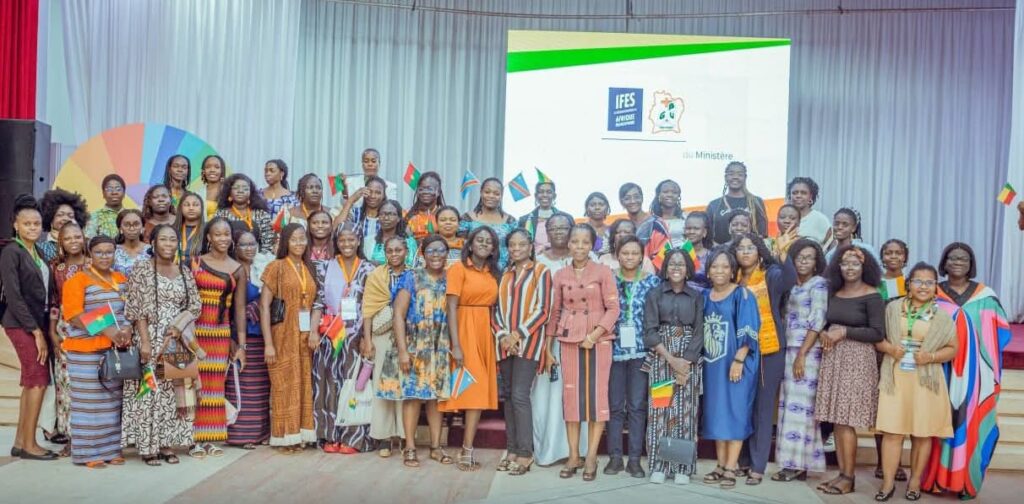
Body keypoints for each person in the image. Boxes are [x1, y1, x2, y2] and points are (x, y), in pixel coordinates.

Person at [923, 242, 1011, 500]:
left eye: (963, 258)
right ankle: (936, 480)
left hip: (976, 375)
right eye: (952, 258)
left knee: (971, 423)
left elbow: (1001, 333)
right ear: (944, 262)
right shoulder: (933, 292)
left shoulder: (986, 296)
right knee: (939, 422)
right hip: (940, 369)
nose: (958, 262)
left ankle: (966, 482)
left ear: (971, 263)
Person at [874, 262, 957, 502]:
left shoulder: (942, 316)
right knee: (892, 432)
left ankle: (915, 482)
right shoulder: (892, 308)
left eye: (929, 282)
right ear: (908, 284)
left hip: (926, 380)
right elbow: (877, 338)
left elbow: (953, 349)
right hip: (895, 377)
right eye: (918, 281)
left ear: (936, 286)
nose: (923, 286)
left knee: (922, 434)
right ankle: (888, 484)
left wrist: (931, 356)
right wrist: (890, 348)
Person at [122, 224, 200, 466]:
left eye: (173, 240)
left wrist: (178, 327)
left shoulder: (184, 271)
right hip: (151, 337)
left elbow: (195, 305)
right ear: (153, 243)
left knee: (173, 392)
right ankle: (148, 447)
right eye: (163, 239)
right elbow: (136, 309)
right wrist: (145, 342)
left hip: (177, 339)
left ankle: (167, 444)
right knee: (149, 392)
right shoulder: (142, 269)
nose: (168, 244)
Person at [547, 223, 620, 482]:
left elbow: (614, 309)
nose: (579, 246)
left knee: (596, 399)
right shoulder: (560, 274)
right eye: (575, 241)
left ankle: (591, 457)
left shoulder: (603, 271)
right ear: (568, 244)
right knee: (572, 399)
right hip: (568, 339)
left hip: (598, 340)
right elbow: (555, 311)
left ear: (592, 245)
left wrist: (594, 335)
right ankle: (573, 455)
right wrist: (547, 347)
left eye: (585, 242)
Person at [814, 244, 885, 495]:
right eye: (845, 263)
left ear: (865, 267)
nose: (850, 268)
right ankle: (842, 474)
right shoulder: (835, 292)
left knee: (846, 421)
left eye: (855, 263)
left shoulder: (872, 295)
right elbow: (827, 322)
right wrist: (826, 333)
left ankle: (848, 477)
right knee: (837, 420)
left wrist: (844, 332)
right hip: (834, 358)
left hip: (857, 360)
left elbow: (877, 333)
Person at [61, 235, 132, 467]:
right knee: (88, 403)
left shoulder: (121, 279)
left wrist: (126, 329)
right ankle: (88, 454)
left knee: (111, 401)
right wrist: (107, 329)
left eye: (109, 252)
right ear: (90, 253)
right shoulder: (77, 280)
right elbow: (73, 315)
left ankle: (111, 450)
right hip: (85, 350)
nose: (104, 256)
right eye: (99, 252)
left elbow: (129, 310)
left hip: (114, 349)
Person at [732, 233, 795, 485]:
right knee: (742, 405)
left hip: (769, 349)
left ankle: (758, 465)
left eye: (751, 247)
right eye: (741, 248)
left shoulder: (771, 274)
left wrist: (783, 253)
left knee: (762, 408)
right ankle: (743, 460)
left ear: (759, 251)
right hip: (738, 350)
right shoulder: (732, 277)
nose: (746, 251)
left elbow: (790, 280)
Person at [1, 195, 58, 461]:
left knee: (31, 381)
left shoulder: (36, 252)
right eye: (27, 224)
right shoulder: (11, 251)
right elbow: (14, 296)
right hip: (21, 324)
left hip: (37, 322)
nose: (33, 228)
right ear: (16, 225)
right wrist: (36, 332)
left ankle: (20, 442)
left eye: (36, 223)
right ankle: (30, 445)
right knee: (37, 380)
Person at [492, 229, 553, 475]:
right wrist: (503, 336)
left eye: (522, 244)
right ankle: (512, 449)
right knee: (508, 395)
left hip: (528, 343)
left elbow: (543, 310)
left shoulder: (541, 271)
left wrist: (516, 335)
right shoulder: (505, 274)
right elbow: (496, 310)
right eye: (512, 245)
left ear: (530, 247)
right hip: (505, 344)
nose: (516, 248)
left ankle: (526, 454)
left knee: (519, 395)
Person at [440, 226, 501, 471]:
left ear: (493, 248)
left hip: (485, 332)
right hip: (464, 329)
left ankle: (466, 448)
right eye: (479, 240)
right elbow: (451, 307)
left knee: (478, 392)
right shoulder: (458, 269)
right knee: (471, 389)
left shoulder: (493, 273)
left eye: (489, 241)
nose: (484, 244)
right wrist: (456, 344)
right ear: (471, 244)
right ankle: (463, 450)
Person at [390, 236, 454, 467]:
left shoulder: (451, 278)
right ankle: (410, 447)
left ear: (447, 253)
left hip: (440, 345)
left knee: (435, 397)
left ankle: (436, 447)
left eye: (440, 250)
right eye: (431, 250)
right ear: (422, 253)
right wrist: (403, 351)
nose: (436, 255)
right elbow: (398, 315)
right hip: (415, 345)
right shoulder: (412, 276)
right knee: (413, 396)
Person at [700, 247, 761, 489]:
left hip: (736, 364)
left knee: (735, 412)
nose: (720, 271)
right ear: (708, 270)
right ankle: (720, 464)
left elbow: (749, 330)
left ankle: (731, 467)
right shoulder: (704, 296)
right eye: (715, 266)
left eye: (725, 266)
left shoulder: (742, 295)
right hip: (713, 365)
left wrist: (739, 360)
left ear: (733, 270)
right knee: (717, 414)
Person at [312, 223, 375, 454]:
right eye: (342, 240)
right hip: (330, 334)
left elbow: (370, 307)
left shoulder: (369, 269)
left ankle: (353, 437)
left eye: (351, 239)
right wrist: (313, 331)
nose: (347, 244)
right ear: (336, 242)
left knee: (354, 384)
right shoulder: (324, 267)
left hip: (356, 336)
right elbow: (318, 301)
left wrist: (367, 338)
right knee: (329, 385)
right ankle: (330, 435)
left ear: (358, 241)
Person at [643, 248, 703, 484]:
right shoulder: (655, 294)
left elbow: (699, 331)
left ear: (688, 269)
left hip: (689, 361)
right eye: (672, 264)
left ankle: (682, 468)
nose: (676, 267)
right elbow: (650, 331)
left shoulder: (696, 296)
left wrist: (685, 362)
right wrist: (671, 360)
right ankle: (659, 466)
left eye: (681, 264)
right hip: (661, 358)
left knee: (685, 414)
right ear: (665, 269)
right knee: (660, 412)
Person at [531, 211, 586, 466]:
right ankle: (549, 448)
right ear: (547, 232)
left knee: (574, 391)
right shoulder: (538, 261)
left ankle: (576, 450)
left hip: (578, 336)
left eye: (564, 228)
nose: (558, 232)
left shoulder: (584, 260)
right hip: (545, 335)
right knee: (546, 393)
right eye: (553, 228)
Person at [772, 239, 829, 482]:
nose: (804, 261)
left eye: (809, 257)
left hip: (807, 352)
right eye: (799, 257)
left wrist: (802, 355)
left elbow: (818, 321)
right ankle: (796, 463)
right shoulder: (792, 284)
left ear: (817, 262)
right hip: (789, 349)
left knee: (802, 410)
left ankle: (796, 465)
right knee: (788, 407)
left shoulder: (819, 284)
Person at [190, 217, 247, 457]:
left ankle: (211, 438)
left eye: (226, 234)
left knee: (214, 387)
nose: (223, 238)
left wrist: (241, 345)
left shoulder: (237, 268)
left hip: (219, 334)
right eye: (218, 234)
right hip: (194, 332)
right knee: (192, 384)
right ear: (209, 238)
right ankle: (191, 439)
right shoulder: (195, 263)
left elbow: (240, 310)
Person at [260, 223, 320, 452]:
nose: (299, 243)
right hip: (282, 335)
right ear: (285, 241)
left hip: (304, 337)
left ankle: (300, 434)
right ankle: (283, 436)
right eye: (294, 239)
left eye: (302, 238)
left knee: (302, 384)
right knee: (283, 385)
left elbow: (315, 303)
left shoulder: (309, 267)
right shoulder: (275, 267)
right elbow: (264, 307)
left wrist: (313, 331)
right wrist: (268, 344)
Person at [605, 236, 659, 479]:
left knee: (637, 406)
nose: (629, 257)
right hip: (613, 351)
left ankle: (635, 460)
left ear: (642, 256)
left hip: (641, 351)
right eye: (625, 253)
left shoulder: (652, 282)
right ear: (618, 255)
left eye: (634, 253)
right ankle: (615, 458)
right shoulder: (608, 279)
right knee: (615, 406)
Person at [361, 236, 411, 457]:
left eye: (398, 250)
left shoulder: (413, 275)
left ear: (406, 251)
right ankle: (383, 437)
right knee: (381, 385)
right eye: (390, 251)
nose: (394, 254)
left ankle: (404, 435)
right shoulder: (376, 276)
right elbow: (368, 309)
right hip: (381, 336)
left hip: (406, 336)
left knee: (404, 384)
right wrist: (367, 339)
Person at [225, 227, 272, 450]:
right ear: (235, 247)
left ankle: (260, 433)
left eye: (253, 244)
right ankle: (240, 435)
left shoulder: (263, 267)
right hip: (239, 336)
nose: (249, 248)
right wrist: (232, 338)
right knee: (240, 385)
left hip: (261, 336)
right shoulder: (231, 269)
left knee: (260, 389)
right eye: (244, 244)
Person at [46, 221, 89, 455]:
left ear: (84, 238)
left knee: (90, 383)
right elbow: (54, 301)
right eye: (68, 238)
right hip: (64, 328)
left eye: (77, 236)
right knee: (67, 384)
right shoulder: (57, 267)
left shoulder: (93, 263)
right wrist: (52, 331)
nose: (74, 241)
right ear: (60, 242)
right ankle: (72, 438)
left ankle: (92, 436)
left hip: (92, 326)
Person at [460, 178, 518, 269]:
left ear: (501, 196)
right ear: (481, 193)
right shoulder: (467, 218)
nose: (491, 196)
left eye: (496, 193)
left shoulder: (511, 221)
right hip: (473, 270)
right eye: (487, 192)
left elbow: (515, 248)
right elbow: (460, 246)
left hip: (502, 272)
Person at [705, 162, 768, 245]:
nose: (735, 177)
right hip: (721, 252)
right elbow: (706, 235)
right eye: (731, 174)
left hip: (748, 251)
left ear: (745, 177)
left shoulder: (756, 202)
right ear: (725, 177)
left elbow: (762, 234)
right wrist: (720, 249)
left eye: (740, 174)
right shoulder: (714, 205)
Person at [215, 173, 275, 253]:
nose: (240, 191)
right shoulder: (221, 214)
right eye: (236, 188)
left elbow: (267, 244)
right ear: (229, 192)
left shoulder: (261, 215)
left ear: (251, 193)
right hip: (227, 257)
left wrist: (259, 259)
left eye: (245, 189)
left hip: (255, 257)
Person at [638, 180, 687, 270]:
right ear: (658, 195)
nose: (670, 195)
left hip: (684, 262)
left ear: (679, 196)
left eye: (674, 192)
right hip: (657, 265)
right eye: (665, 192)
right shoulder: (650, 221)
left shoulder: (686, 218)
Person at [339, 175, 387, 258]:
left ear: (384, 195)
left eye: (378, 193)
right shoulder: (355, 213)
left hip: (381, 263)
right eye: (369, 191)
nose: (373, 196)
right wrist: (352, 200)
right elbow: (338, 227)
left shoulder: (387, 218)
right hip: (356, 262)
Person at [38, 188, 90, 263]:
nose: (65, 218)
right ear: (50, 218)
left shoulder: (87, 246)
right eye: (60, 215)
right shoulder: (41, 249)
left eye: (70, 216)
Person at [368, 200, 417, 267]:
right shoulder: (369, 241)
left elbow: (411, 266)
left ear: (398, 218)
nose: (386, 218)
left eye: (390, 214)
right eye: (382, 214)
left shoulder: (409, 242)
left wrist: (381, 266)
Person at [518, 180, 562, 253]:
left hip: (558, 258)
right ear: (536, 196)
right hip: (534, 258)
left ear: (554, 196)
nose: (545, 195)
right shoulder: (524, 220)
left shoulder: (564, 219)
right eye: (541, 192)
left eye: (549, 192)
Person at [787, 177, 831, 243]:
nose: (798, 196)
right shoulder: (785, 218)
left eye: (803, 193)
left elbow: (831, 244)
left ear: (810, 197)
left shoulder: (820, 219)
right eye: (794, 193)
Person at [404, 171, 445, 242]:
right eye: (421, 189)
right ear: (417, 192)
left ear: (438, 192)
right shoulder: (406, 214)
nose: (425, 192)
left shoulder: (445, 215)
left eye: (429, 189)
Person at [84, 174, 126, 238]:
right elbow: (89, 240)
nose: (114, 192)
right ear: (103, 193)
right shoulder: (95, 216)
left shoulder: (130, 215)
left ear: (124, 193)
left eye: (118, 189)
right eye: (109, 189)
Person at [113, 209, 150, 277]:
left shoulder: (151, 251)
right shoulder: (113, 250)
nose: (132, 229)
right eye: (127, 225)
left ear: (142, 227)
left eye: (136, 224)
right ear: (120, 228)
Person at [683, 211, 713, 289]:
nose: (691, 232)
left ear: (704, 232)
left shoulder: (712, 257)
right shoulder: (676, 254)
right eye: (688, 228)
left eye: (696, 229)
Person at [174, 192, 205, 265]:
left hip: (200, 269)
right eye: (187, 205)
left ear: (201, 208)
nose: (191, 208)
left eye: (195, 205)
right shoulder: (172, 230)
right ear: (180, 208)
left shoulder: (208, 230)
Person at [197, 155, 227, 220]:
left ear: (222, 171)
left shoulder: (228, 192)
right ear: (203, 171)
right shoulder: (198, 193)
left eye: (217, 167)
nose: (212, 170)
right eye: (208, 167)